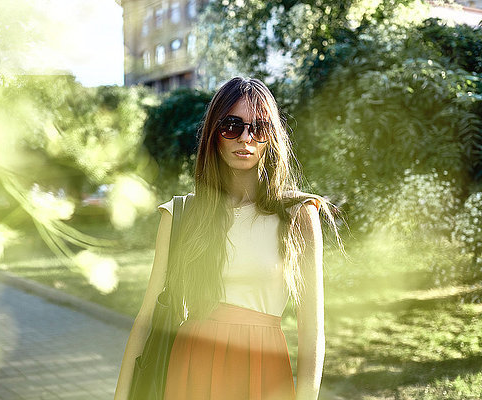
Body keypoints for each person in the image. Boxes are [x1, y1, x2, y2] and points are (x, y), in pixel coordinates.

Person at [114, 77, 344, 400]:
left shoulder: (299, 215)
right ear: (214, 134)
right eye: (231, 126)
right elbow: (146, 318)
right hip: (189, 373)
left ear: (271, 137)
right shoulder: (181, 214)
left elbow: (312, 333)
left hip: (263, 376)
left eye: (259, 128)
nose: (245, 138)